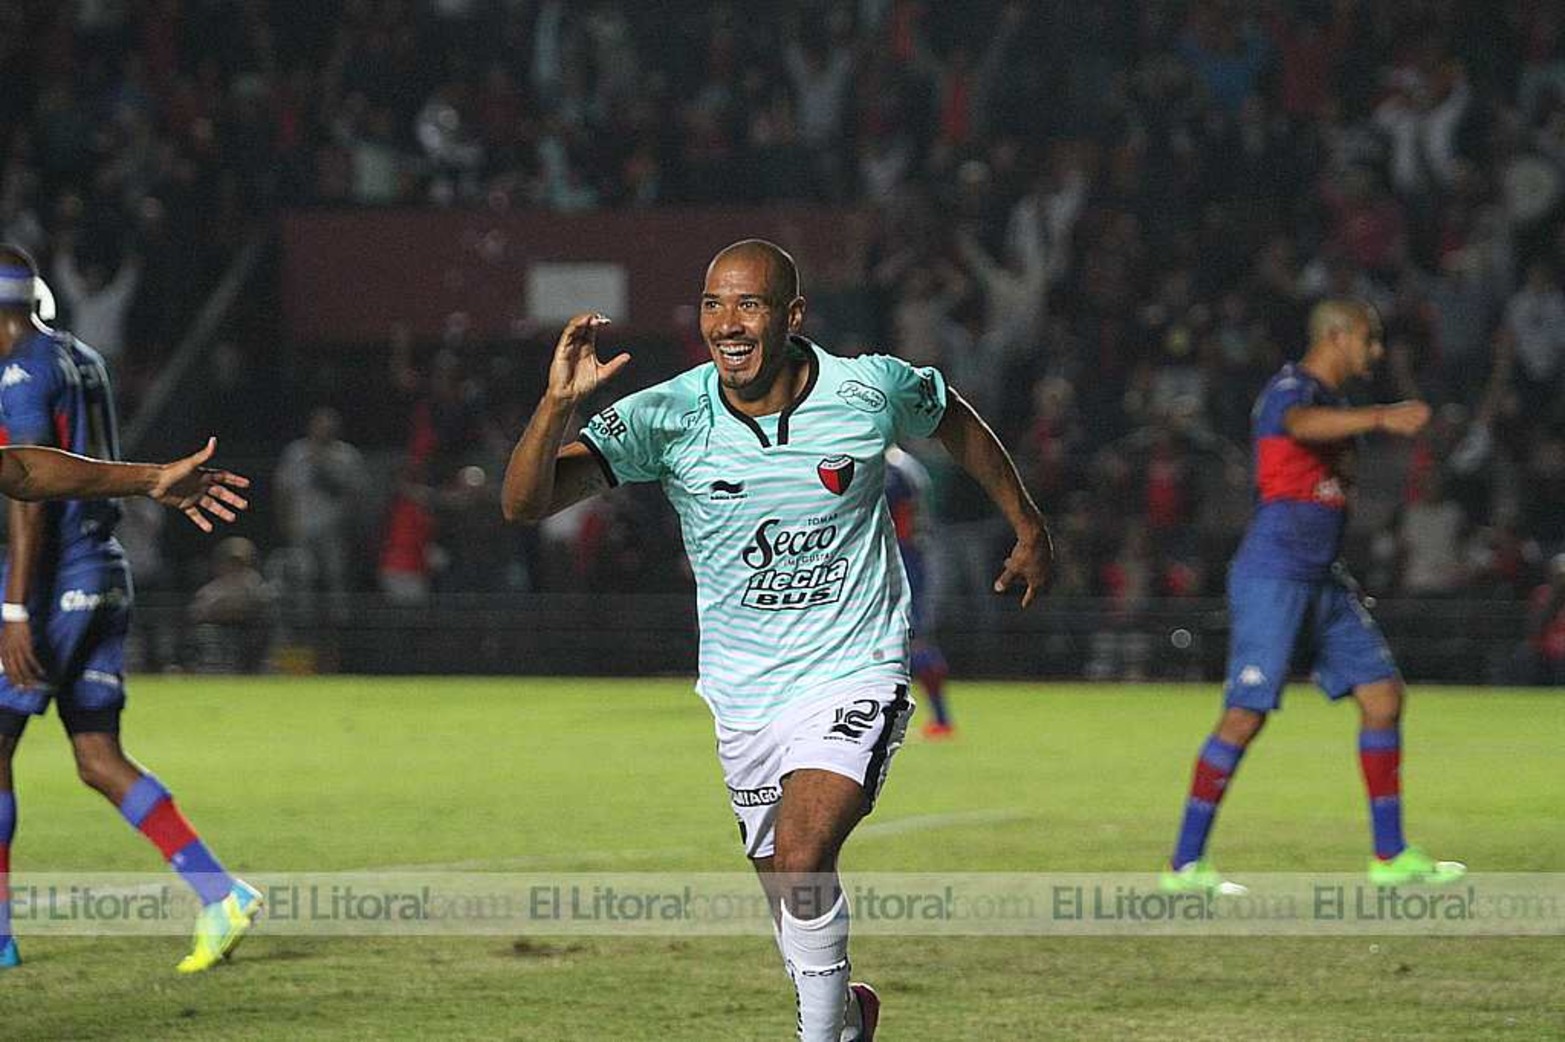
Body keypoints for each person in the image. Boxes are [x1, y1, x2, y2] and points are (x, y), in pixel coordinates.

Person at [502, 240, 1051, 1042]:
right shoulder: (668, 414)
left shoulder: (868, 387)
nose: (726, 323)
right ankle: (849, 1015)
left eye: (748, 304)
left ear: (792, 315)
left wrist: (1027, 523)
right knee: (789, 899)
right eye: (713, 304)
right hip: (743, 694)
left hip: (854, 668)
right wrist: (556, 406)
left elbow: (952, 418)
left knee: (801, 859)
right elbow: (525, 504)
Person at [0, 244, 258, 974]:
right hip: (103, 565)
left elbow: (25, 482)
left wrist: (15, 607)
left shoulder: (19, 373)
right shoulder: (80, 356)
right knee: (96, 756)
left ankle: (0, 937)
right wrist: (145, 480)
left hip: (53, 575)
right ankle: (220, 892)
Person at [1161, 299, 1465, 895]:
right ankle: (1185, 866)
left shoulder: (1332, 406)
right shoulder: (1291, 390)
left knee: (1383, 697)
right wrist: (1380, 418)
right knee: (1244, 717)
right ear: (1338, 335)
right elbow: (1297, 425)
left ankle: (1390, 855)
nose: (1376, 352)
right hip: (1274, 575)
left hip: (1323, 576)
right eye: (1369, 340)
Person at [884, 446, 953, 737]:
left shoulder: (896, 469)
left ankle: (941, 718)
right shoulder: (903, 466)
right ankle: (938, 718)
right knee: (910, 639)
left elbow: (912, 520)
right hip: (902, 557)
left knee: (915, 639)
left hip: (905, 559)